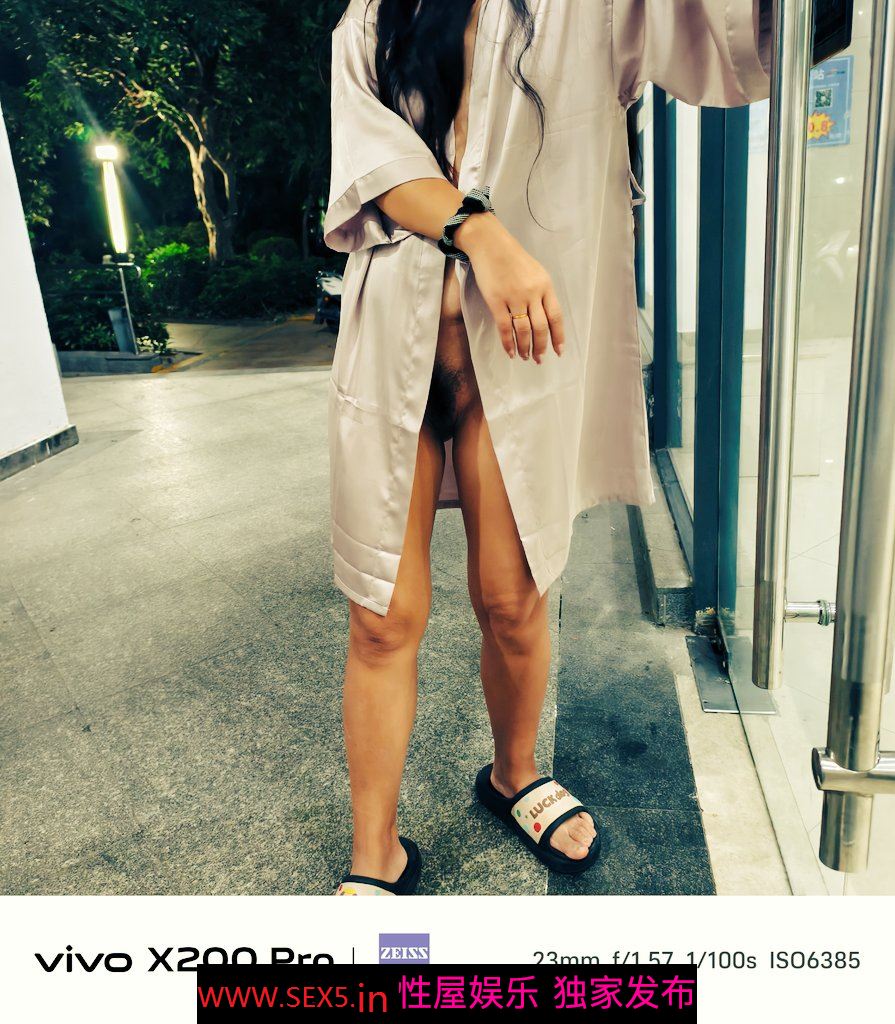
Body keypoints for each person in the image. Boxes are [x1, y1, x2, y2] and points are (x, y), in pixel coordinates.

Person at [326, 0, 772, 896]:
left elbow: (728, 47)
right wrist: (480, 231)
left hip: (520, 360)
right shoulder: (370, 20)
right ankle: (375, 853)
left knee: (512, 597)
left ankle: (514, 775)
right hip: (392, 349)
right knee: (381, 616)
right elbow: (372, 163)